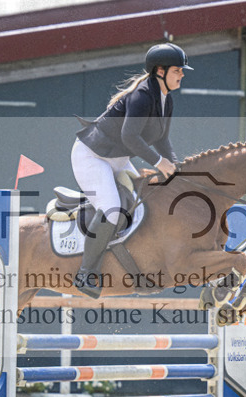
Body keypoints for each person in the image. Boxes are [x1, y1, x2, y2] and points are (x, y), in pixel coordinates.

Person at [71, 42, 192, 298]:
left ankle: (137, 272)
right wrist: (159, 163)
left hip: (117, 158)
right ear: (160, 71)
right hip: (91, 156)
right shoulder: (141, 96)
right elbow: (130, 136)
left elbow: (162, 139)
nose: (182, 74)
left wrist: (174, 166)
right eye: (177, 70)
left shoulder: (164, 99)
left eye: (182, 71)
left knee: (143, 205)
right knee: (113, 210)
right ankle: (85, 273)